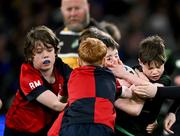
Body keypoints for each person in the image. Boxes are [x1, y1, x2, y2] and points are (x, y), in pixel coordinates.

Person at [4, 25, 72, 136]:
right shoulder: (27, 73)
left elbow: (77, 80)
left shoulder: (60, 65)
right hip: (19, 131)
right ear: (31, 56)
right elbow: (56, 105)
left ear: (55, 52)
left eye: (49, 50)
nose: (45, 55)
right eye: (39, 52)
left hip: (45, 128)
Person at [110, 35, 171, 136]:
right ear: (140, 63)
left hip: (142, 130)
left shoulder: (165, 79)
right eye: (150, 68)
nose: (155, 72)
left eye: (159, 66)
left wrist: (129, 76)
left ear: (164, 60)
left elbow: (154, 89)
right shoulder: (131, 71)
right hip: (121, 126)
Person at [56, 0, 105, 69]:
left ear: (87, 7)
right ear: (61, 10)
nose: (73, 14)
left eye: (77, 8)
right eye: (69, 9)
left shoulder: (102, 37)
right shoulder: (53, 38)